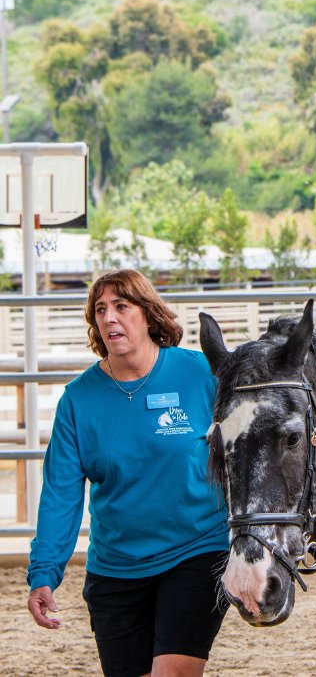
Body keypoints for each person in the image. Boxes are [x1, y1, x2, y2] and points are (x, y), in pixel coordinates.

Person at [26, 269, 229, 677]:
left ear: (148, 314)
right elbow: (61, 494)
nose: (109, 317)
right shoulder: (78, 400)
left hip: (197, 551)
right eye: (100, 310)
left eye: (121, 306)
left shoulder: (201, 374)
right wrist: (44, 573)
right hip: (115, 567)